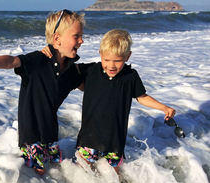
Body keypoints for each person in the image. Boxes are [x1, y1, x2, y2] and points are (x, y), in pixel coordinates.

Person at [0, 10, 85, 175]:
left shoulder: (71, 71)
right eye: (76, 36)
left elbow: (89, 84)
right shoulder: (37, 61)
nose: (81, 41)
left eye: (82, 36)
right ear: (57, 39)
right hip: (31, 140)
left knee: (58, 174)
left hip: (52, 139)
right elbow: (10, 61)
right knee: (37, 177)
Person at [74, 29, 176, 173]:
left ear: (128, 56)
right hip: (89, 138)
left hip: (115, 141)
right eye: (106, 60)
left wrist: (164, 108)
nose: (111, 65)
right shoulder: (90, 71)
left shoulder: (130, 77)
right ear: (100, 54)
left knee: (116, 175)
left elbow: (142, 97)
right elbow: (67, 70)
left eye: (117, 60)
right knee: (82, 170)